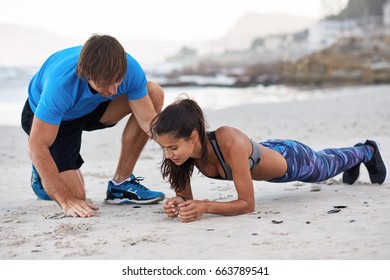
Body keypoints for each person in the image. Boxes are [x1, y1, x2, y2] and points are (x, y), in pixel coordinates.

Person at [150, 97, 388, 223]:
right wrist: (178, 202)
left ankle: (366, 151)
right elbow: (187, 199)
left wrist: (206, 206)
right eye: (164, 148)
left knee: (326, 167)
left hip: (291, 159)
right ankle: (356, 157)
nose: (168, 154)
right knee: (328, 159)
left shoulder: (228, 140)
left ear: (193, 137)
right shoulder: (179, 155)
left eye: (172, 147)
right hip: (263, 152)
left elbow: (247, 204)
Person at [21, 34, 165, 218]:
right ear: (86, 74)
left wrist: (178, 148)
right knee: (76, 197)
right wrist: (65, 200)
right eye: (106, 84)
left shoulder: (129, 69)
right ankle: (41, 176)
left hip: (92, 107)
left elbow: (148, 123)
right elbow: (36, 145)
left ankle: (121, 185)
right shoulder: (59, 85)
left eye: (118, 80)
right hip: (54, 120)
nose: (114, 90)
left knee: (153, 93)